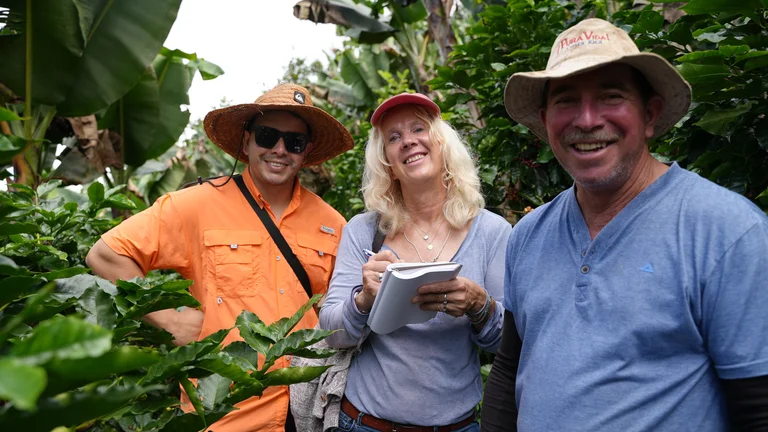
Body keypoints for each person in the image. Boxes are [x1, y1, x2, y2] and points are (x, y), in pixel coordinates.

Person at [481, 18, 768, 431]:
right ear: (545, 121)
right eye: (566, 101)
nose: (586, 120)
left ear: (650, 114)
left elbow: (759, 406)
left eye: (611, 96)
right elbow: (510, 367)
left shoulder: (728, 232)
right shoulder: (528, 235)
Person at [86, 83, 354, 432]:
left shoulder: (333, 224)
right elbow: (106, 255)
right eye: (267, 136)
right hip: (225, 411)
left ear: (307, 152)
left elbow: (341, 313)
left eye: (294, 142)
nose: (279, 149)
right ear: (247, 141)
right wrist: (169, 321)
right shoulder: (196, 205)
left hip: (307, 411)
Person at [319, 92, 513, 431]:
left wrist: (479, 305)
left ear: (442, 144)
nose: (408, 141)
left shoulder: (492, 231)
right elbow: (331, 333)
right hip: (365, 424)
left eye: (419, 129)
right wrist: (363, 300)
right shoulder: (363, 231)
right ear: (388, 165)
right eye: (394, 137)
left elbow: (507, 343)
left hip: (457, 426)